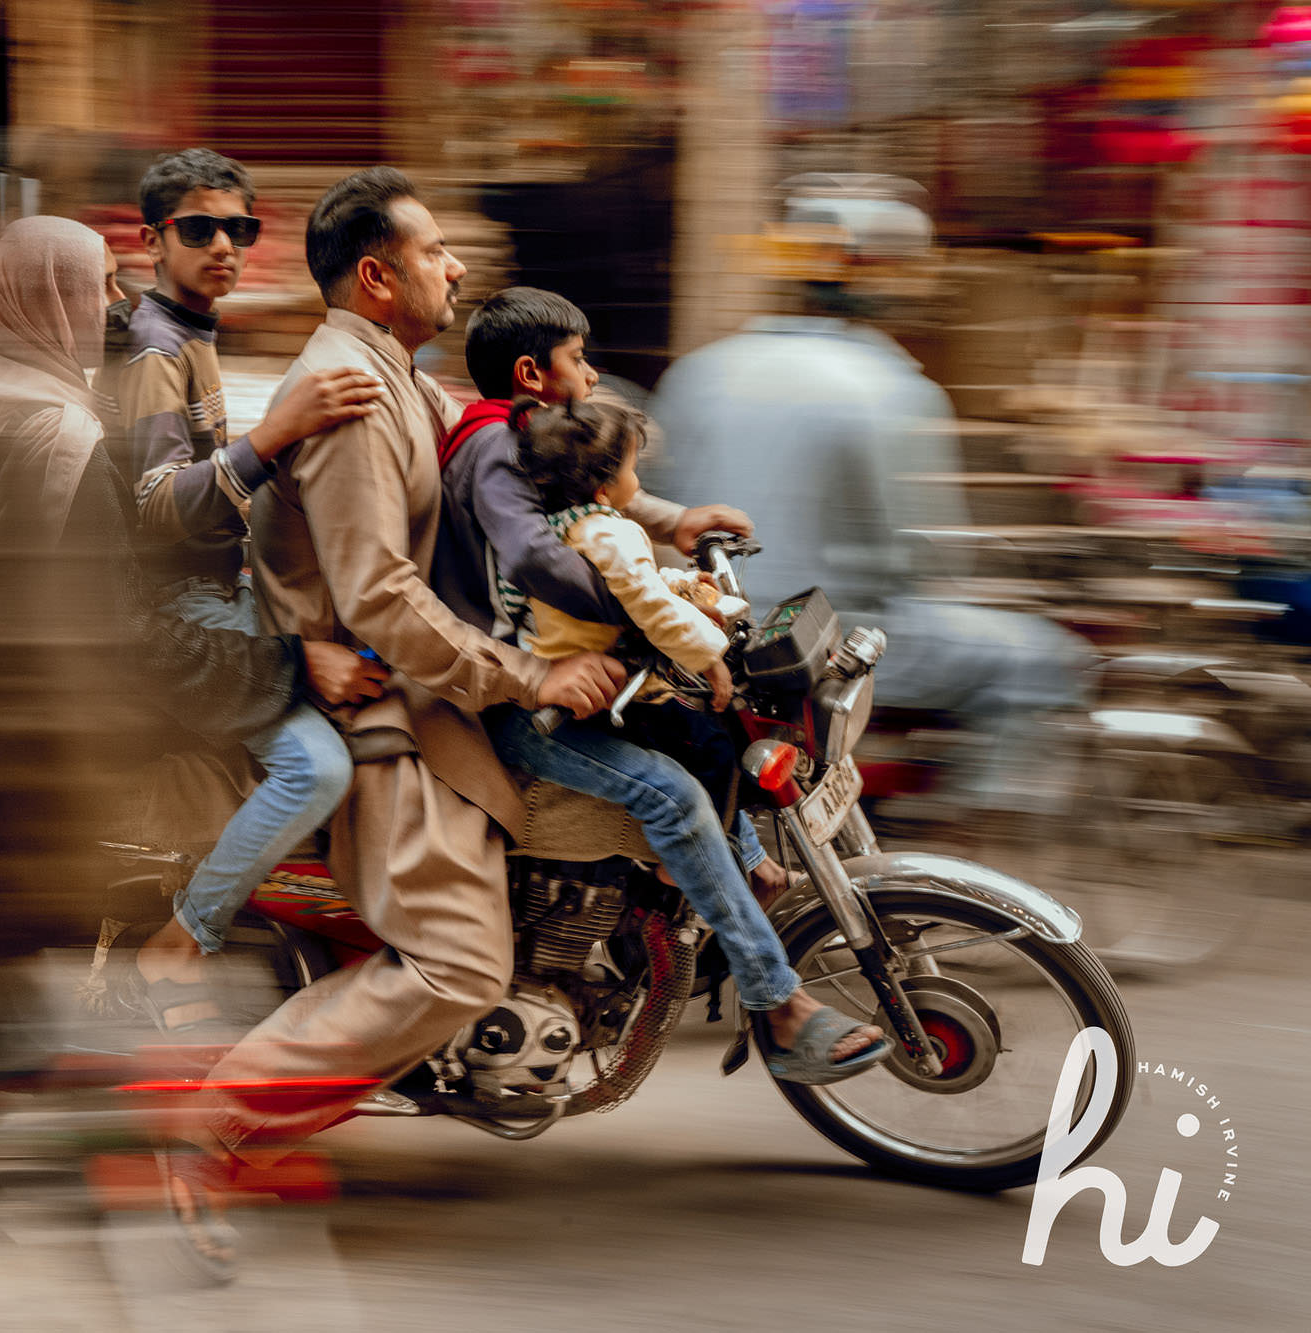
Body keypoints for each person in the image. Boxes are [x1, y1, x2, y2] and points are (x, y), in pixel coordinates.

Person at [163, 169, 625, 1254]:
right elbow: (376, 595)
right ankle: (206, 1122)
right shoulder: (356, 393)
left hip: (423, 690)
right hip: (393, 717)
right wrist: (525, 676)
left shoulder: (397, 377)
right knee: (461, 963)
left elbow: (500, 458)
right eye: (433, 253)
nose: (455, 267)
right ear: (376, 276)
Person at [646, 178, 1090, 817]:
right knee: (1043, 658)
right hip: (824, 641)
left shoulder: (700, 370)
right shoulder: (889, 386)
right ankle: (977, 831)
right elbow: (913, 556)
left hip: (710, 638)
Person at [485, 394, 888, 1082]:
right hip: (540, 719)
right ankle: (777, 1000)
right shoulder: (604, 530)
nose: (641, 481)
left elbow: (633, 583)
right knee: (677, 795)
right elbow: (640, 596)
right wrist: (708, 650)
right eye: (636, 466)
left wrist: (693, 588)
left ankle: (751, 869)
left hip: (584, 695)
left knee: (705, 739)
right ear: (609, 480)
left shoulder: (583, 520)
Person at [109, 149, 386, 1033]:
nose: (223, 245)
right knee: (318, 764)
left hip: (223, 591)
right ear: (154, 238)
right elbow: (159, 507)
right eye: (200, 228)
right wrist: (277, 435)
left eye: (240, 229)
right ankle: (182, 939)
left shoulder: (193, 331)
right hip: (179, 614)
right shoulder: (156, 348)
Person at [438, 286, 793, 901]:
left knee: (697, 733)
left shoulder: (527, 434)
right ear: (531, 373)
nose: (591, 371)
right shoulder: (498, 444)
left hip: (547, 647)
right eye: (577, 358)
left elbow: (589, 495)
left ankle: (740, 857)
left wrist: (672, 524)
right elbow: (533, 553)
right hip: (515, 670)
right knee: (686, 740)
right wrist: (643, 611)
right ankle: (693, 890)